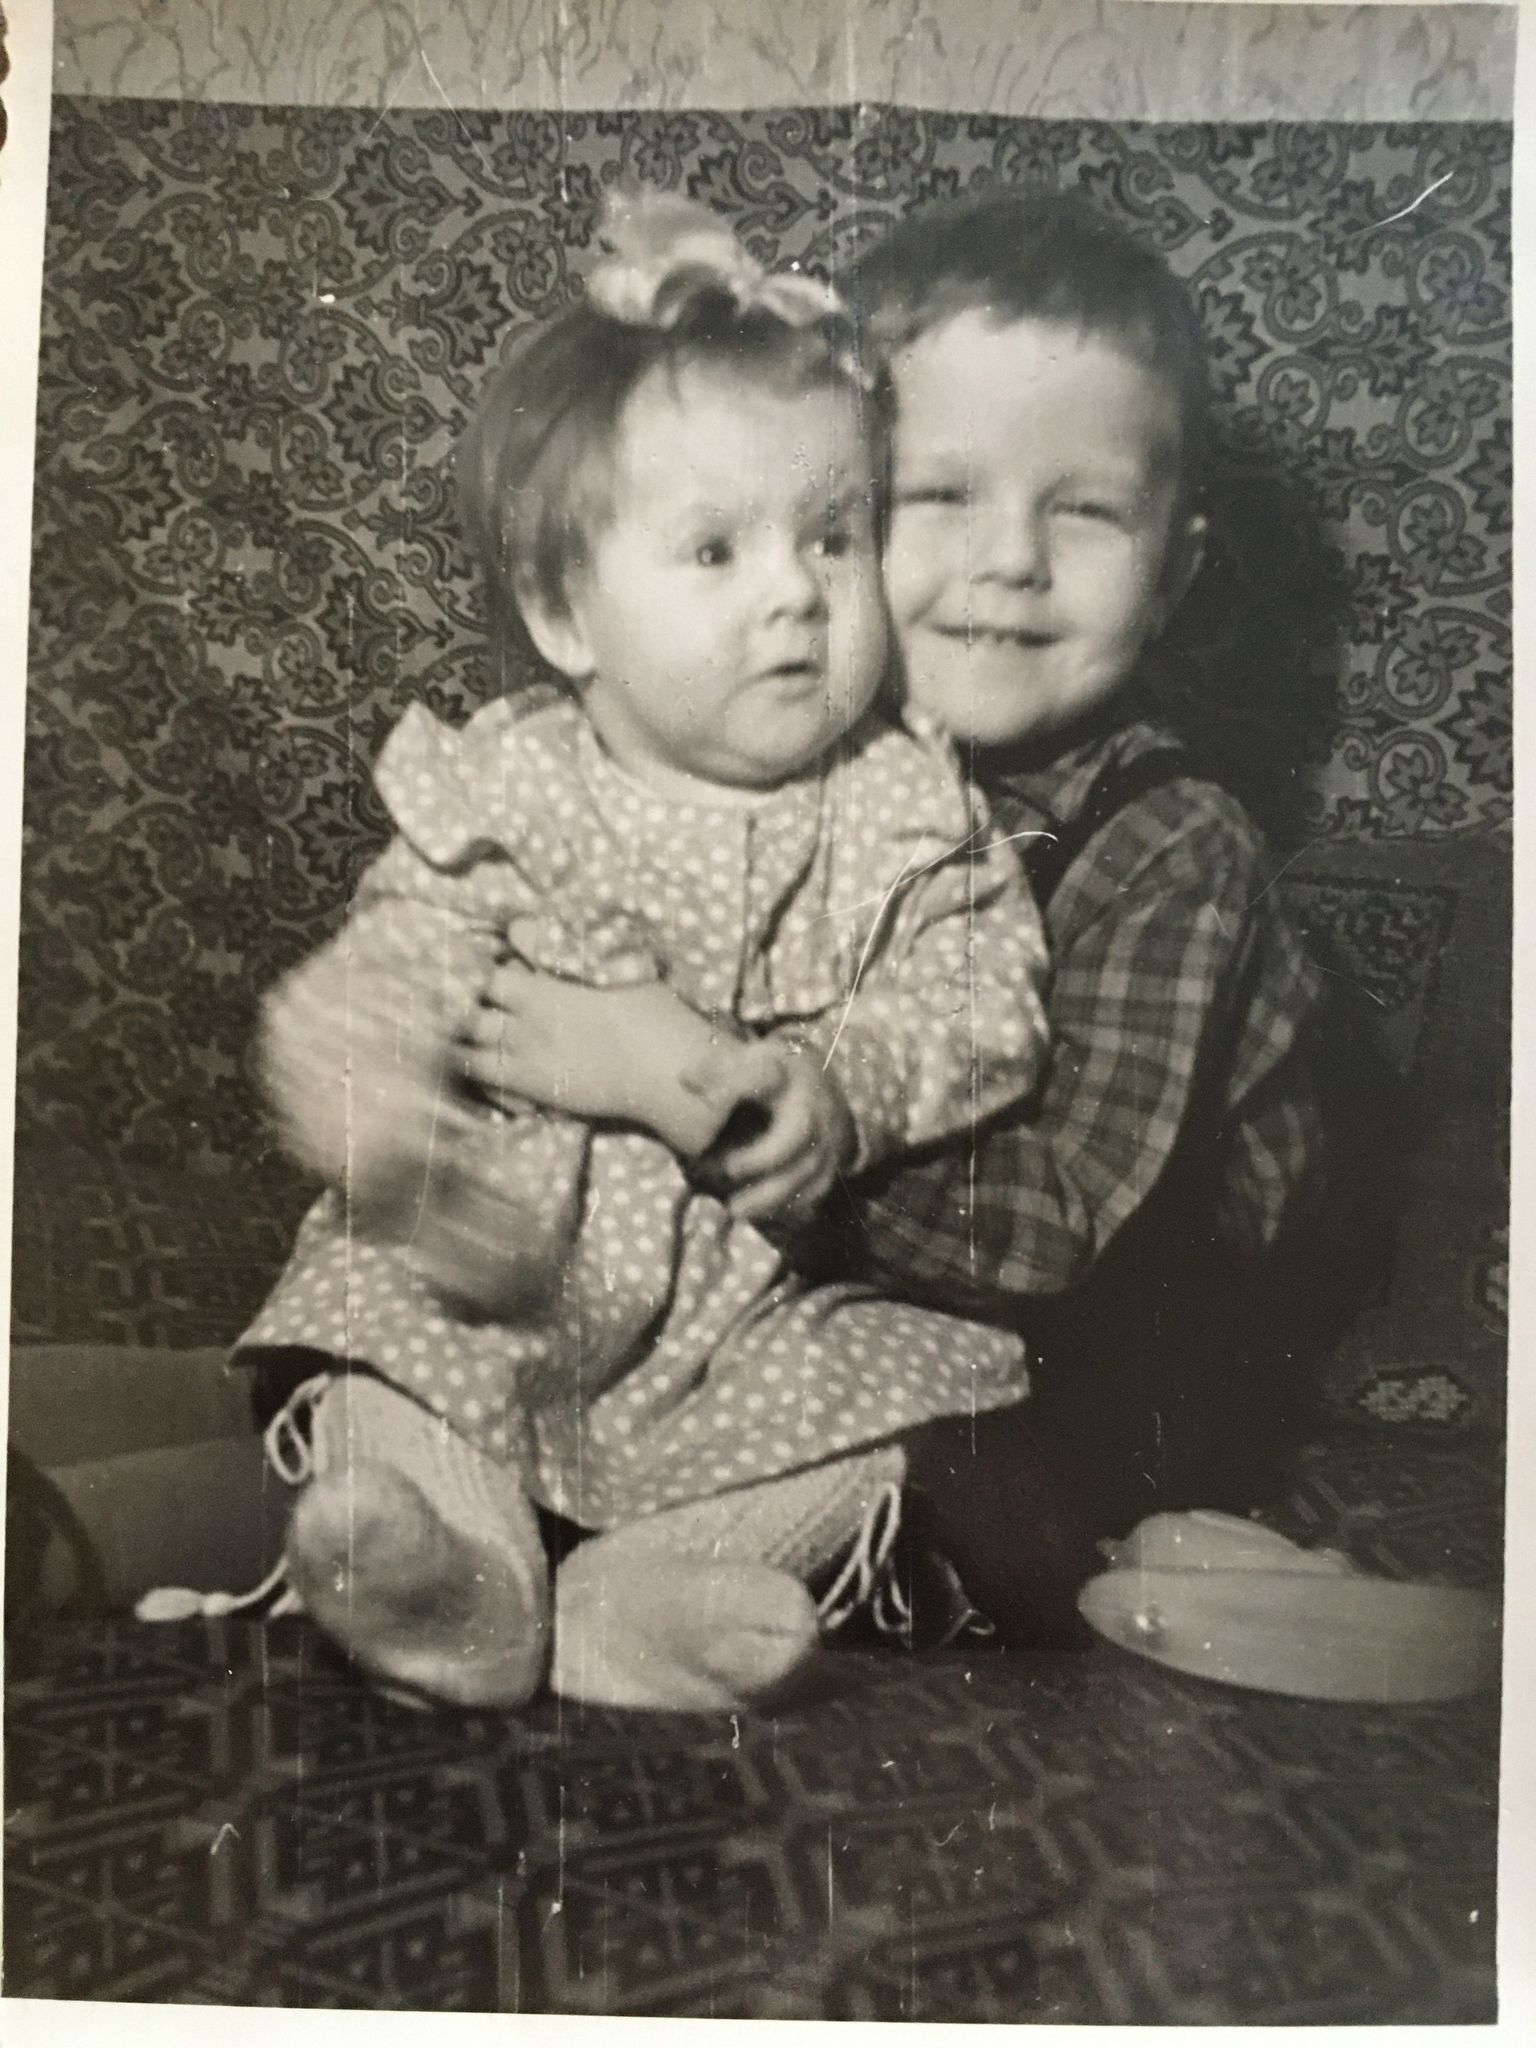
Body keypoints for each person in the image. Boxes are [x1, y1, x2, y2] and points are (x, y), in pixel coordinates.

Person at [460, 187, 1329, 1652]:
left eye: (1084, 510)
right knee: (449, 1348)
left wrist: (706, 1097)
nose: (1011, 560)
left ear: (1175, 570)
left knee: (923, 1452)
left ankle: (611, 1600)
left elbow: (1054, 1231)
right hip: (768, 1314)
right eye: (939, 497)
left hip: (1070, 1375)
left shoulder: (1175, 845)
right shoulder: (796, 754)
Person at [228, 191, 1053, 1711]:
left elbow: (986, 998)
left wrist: (845, 1087)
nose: (797, 592)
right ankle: (454, 1584)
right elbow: (383, 969)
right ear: (565, 612)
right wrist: (387, 1121)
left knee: (911, 1403)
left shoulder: (903, 806)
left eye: (834, 536)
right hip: (509, 1271)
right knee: (381, 1332)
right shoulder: (508, 787)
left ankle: (642, 1600)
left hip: (752, 1308)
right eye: (717, 549)